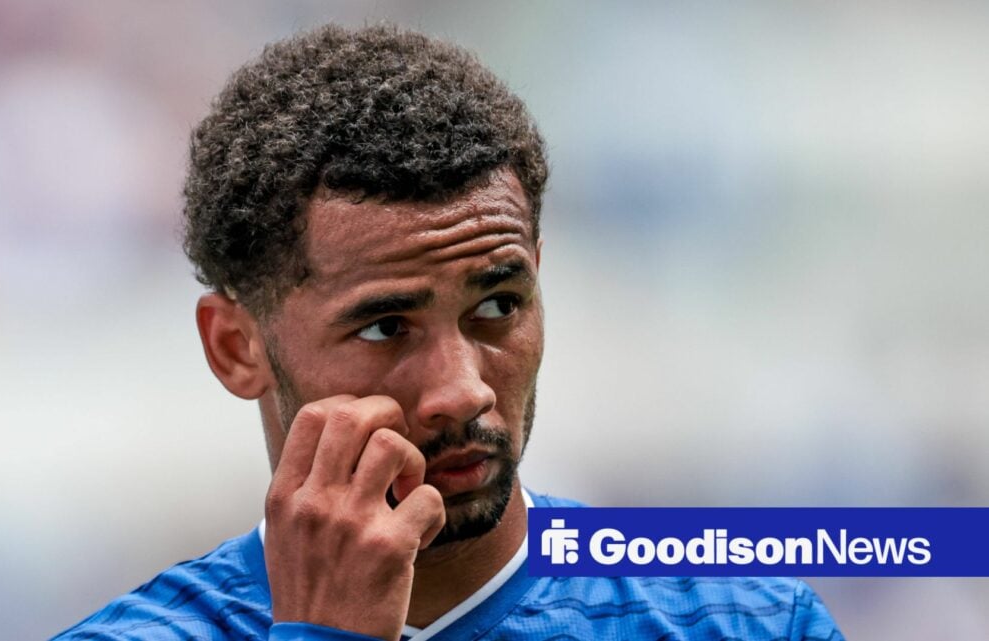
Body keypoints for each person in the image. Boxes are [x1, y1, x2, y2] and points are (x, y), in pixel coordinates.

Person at [53, 23, 843, 641]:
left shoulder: (748, 621)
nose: (462, 389)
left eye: (498, 306)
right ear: (236, 345)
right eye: (386, 325)